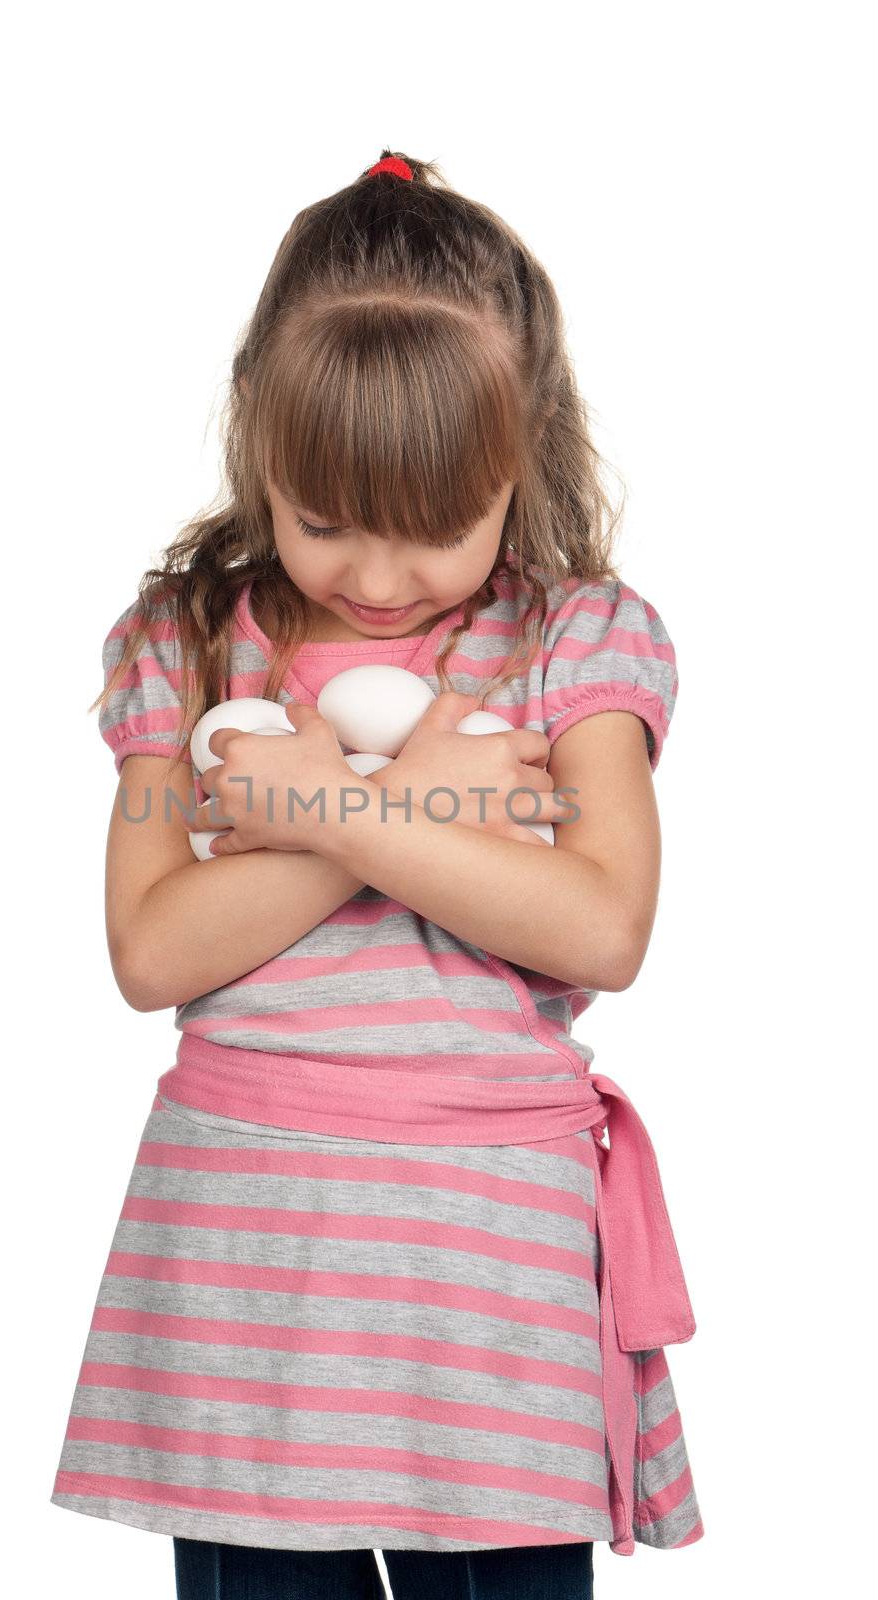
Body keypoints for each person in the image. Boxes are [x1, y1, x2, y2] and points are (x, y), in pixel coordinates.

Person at [49, 150, 703, 1599]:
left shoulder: (574, 641)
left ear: (516, 459)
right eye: (324, 517)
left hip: (488, 1270)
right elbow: (153, 952)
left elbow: (601, 922)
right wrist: (429, 812)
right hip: (244, 1248)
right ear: (258, 445)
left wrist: (317, 811)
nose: (383, 580)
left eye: (435, 525)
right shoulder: (185, 637)